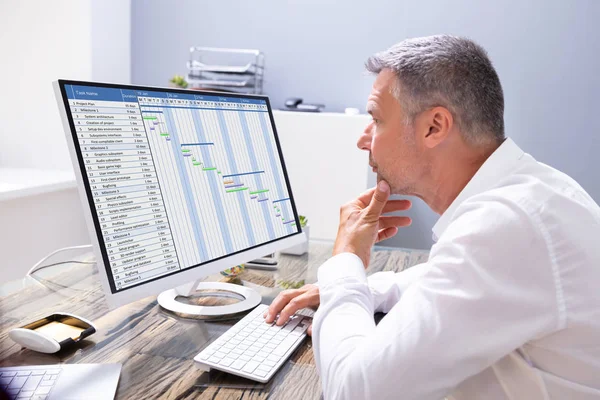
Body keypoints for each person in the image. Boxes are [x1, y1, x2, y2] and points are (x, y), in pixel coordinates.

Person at [264, 35, 600, 399]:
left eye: (376, 120)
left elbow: (353, 392)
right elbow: (452, 281)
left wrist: (346, 262)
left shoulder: (505, 227)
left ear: (434, 127)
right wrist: (363, 290)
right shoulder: (534, 193)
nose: (364, 140)